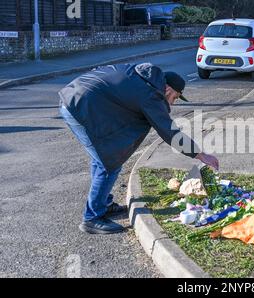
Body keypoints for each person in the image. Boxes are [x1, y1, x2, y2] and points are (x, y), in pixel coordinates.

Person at [58, 62, 219, 234]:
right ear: (167, 90)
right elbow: (169, 131)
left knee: (103, 157)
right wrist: (200, 154)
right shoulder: (150, 94)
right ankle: (92, 218)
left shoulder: (142, 77)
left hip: (76, 98)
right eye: (174, 98)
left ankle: (102, 203)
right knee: (109, 163)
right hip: (79, 106)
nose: (171, 104)